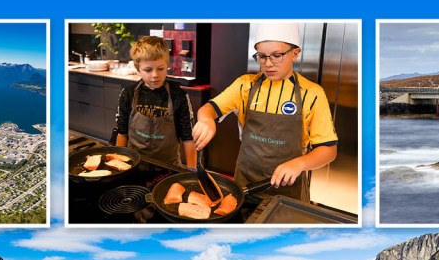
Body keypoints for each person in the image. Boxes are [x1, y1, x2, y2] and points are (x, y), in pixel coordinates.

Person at [192, 23, 337, 201]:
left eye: (276, 56)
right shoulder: (245, 85)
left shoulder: (312, 94)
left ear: (295, 53)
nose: (268, 64)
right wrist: (206, 120)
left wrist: (300, 163)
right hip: (245, 183)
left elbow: (329, 149)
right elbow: (209, 109)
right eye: (261, 56)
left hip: (289, 191)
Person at [115, 36, 197, 169]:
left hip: (169, 167)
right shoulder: (128, 94)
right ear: (138, 69)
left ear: (167, 66)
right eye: (148, 70)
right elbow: (122, 132)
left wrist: (192, 171)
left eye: (160, 69)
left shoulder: (178, 96)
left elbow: (188, 138)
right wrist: (118, 163)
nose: (155, 75)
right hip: (134, 164)